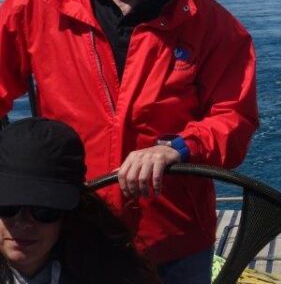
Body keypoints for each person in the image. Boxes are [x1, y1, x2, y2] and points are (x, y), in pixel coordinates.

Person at [0, 0, 259, 283]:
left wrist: (178, 149)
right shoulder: (37, 4)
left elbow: (236, 120)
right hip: (72, 232)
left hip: (174, 244)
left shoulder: (211, 24)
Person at [0, 117, 161, 284]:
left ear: (69, 216)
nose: (23, 223)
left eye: (43, 210)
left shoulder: (114, 272)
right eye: (8, 206)